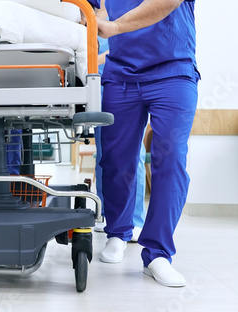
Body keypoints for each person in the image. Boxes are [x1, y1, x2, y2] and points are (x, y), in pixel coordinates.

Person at [88, 0, 199, 287]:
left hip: (173, 70)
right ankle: (118, 233)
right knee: (116, 159)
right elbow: (88, 10)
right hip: (121, 75)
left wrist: (113, 26)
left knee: (170, 158)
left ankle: (158, 253)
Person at [92, 0, 147, 243]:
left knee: (132, 152)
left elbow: (128, 43)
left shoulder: (127, 9)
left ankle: (134, 220)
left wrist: (97, 60)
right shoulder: (89, 12)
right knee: (105, 153)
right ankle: (108, 214)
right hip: (99, 84)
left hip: (126, 81)